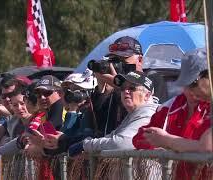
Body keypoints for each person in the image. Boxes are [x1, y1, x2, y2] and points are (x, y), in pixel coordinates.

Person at [132, 48, 211, 180]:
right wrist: (159, 148)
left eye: (194, 85)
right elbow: (140, 137)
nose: (190, 91)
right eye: (187, 84)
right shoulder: (171, 105)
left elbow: (207, 148)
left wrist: (167, 142)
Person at [44, 71, 158, 155]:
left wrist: (86, 145)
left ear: (147, 95)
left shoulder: (148, 113)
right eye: (123, 88)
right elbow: (112, 136)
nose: (126, 91)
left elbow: (121, 143)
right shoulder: (133, 113)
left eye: (132, 88)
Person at [91, 36, 168, 136]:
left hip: (135, 142)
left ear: (140, 60)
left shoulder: (153, 78)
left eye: (123, 61)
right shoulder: (113, 85)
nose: (118, 65)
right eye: (115, 61)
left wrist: (119, 84)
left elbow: (150, 113)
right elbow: (99, 121)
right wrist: (102, 89)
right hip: (110, 143)